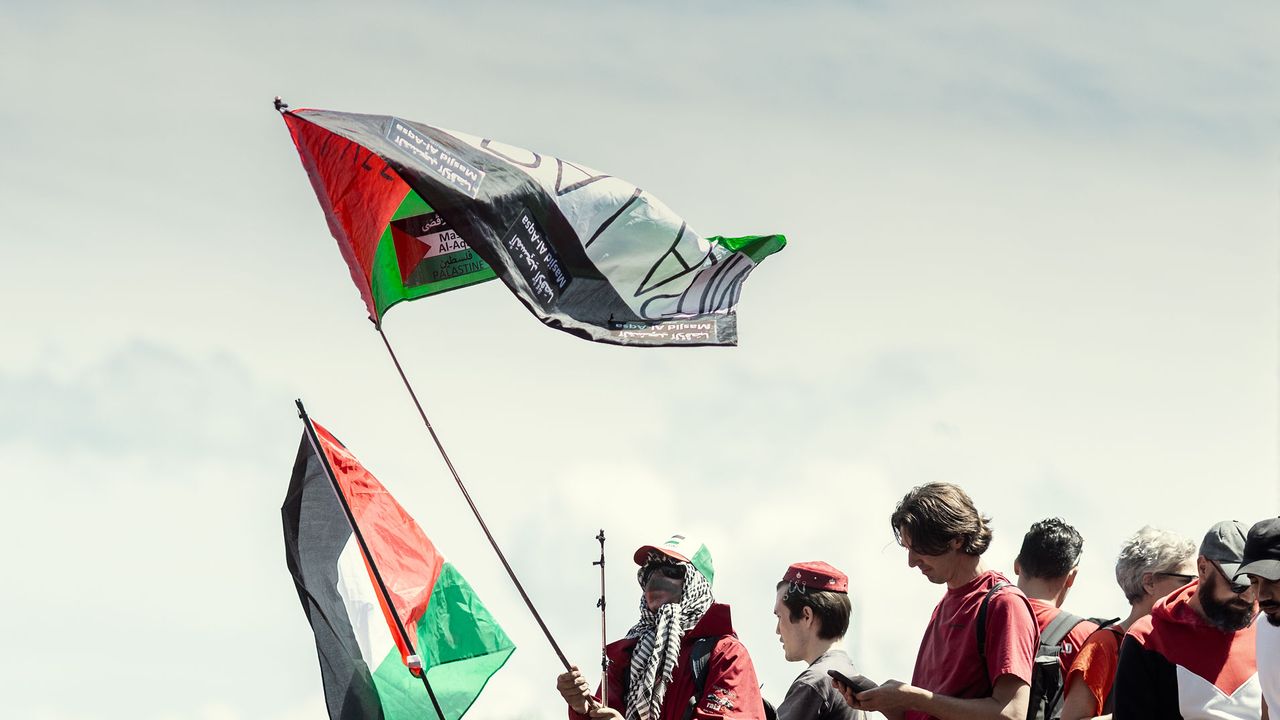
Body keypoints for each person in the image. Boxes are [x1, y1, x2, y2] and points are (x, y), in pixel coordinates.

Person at [835, 482, 1038, 720]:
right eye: (908, 549)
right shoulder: (944, 606)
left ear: (956, 539)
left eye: (918, 548)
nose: (911, 562)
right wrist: (890, 703)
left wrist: (912, 698)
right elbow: (932, 711)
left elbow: (1012, 714)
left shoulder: (1005, 604)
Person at [555, 533, 765, 720]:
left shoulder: (726, 653)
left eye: (670, 570)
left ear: (695, 582)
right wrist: (582, 709)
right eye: (650, 572)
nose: (655, 579)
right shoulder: (629, 655)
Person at [1111, 520, 1261, 719]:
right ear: (1203, 568)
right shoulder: (1148, 638)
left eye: (1255, 583)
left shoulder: (1267, 629)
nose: (1247, 596)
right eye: (1237, 584)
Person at [1059, 526, 1197, 720]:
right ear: (1149, 583)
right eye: (1187, 580)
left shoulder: (1183, 643)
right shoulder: (1105, 644)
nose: (1195, 589)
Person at [773, 561, 866, 720]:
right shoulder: (851, 678)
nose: (777, 630)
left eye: (779, 616)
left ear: (806, 616)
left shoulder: (815, 682)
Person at [1236, 517, 1280, 716]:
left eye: (1273, 578)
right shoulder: (1264, 625)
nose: (1262, 595)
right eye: (1254, 580)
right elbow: (1270, 704)